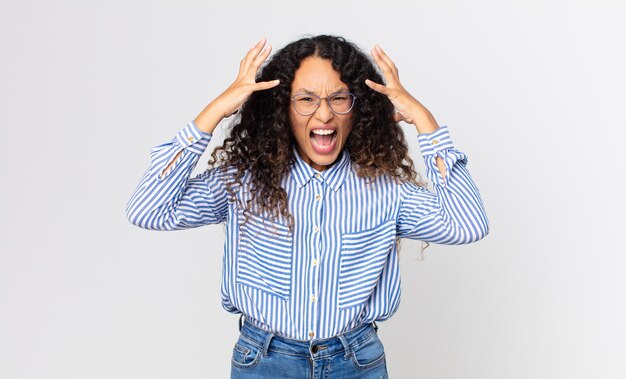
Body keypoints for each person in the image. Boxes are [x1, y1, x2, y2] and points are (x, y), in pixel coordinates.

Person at [126, 34, 489, 379]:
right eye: (306, 99)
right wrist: (215, 111)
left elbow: (467, 225)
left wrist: (425, 121)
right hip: (265, 362)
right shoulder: (242, 182)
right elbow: (149, 209)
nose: (324, 115)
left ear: (357, 109)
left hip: (355, 362)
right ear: (283, 108)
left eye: (338, 99)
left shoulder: (387, 190)